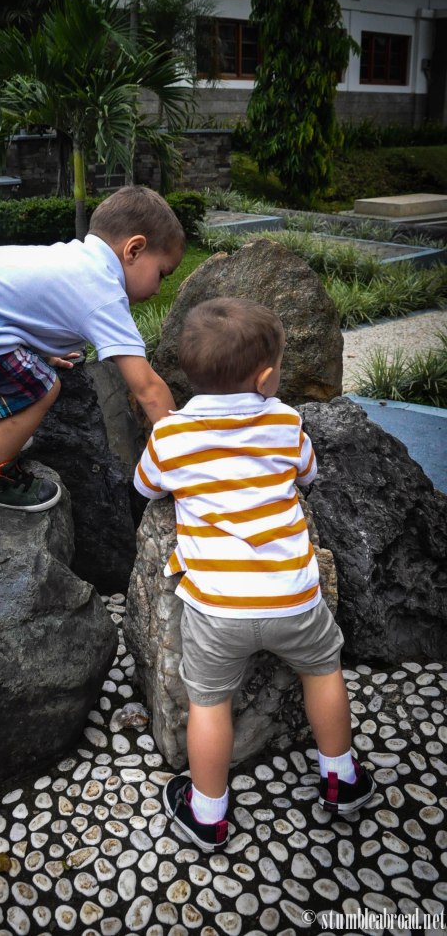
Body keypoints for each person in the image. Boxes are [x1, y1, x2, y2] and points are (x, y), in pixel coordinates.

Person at [134, 297, 375, 853]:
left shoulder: (171, 436)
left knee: (210, 703)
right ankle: (341, 777)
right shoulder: (286, 421)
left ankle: (208, 812)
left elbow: (147, 487)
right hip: (295, 596)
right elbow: (308, 474)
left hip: (217, 608)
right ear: (265, 377)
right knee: (323, 671)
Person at [0, 186, 183, 511]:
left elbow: (24, 308)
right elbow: (147, 387)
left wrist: (43, 352)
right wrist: (182, 453)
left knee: (0, 371)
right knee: (41, 388)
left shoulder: (74, 260)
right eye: (162, 273)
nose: (159, 289)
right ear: (133, 250)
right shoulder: (103, 290)